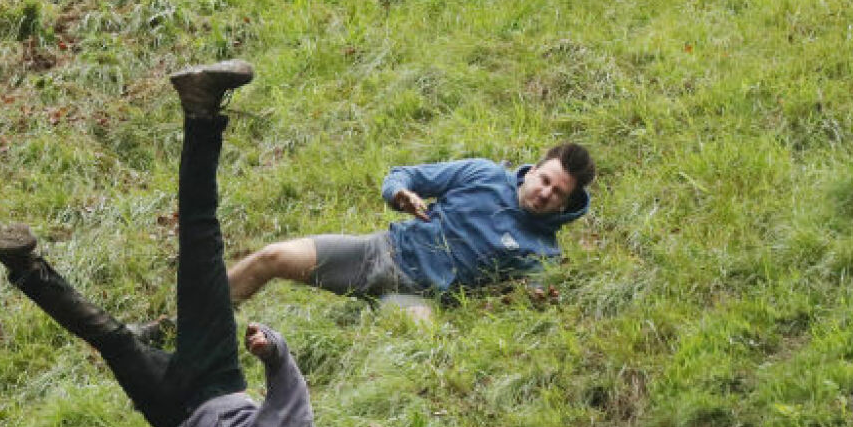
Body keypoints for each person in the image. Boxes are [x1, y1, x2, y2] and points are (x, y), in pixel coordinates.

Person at [0, 62, 315, 427]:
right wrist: (272, 348)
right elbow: (292, 393)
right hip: (219, 376)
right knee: (201, 241)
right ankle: (201, 110)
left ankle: (24, 267)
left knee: (113, 339)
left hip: (173, 412)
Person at [226, 145, 593, 311]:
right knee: (271, 257)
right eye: (544, 179)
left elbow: (524, 301)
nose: (545, 193)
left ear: (564, 205)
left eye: (557, 192)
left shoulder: (544, 252)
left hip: (419, 300)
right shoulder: (483, 174)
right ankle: (193, 324)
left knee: (421, 349)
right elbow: (405, 174)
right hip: (378, 253)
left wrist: (534, 300)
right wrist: (400, 194)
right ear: (532, 171)